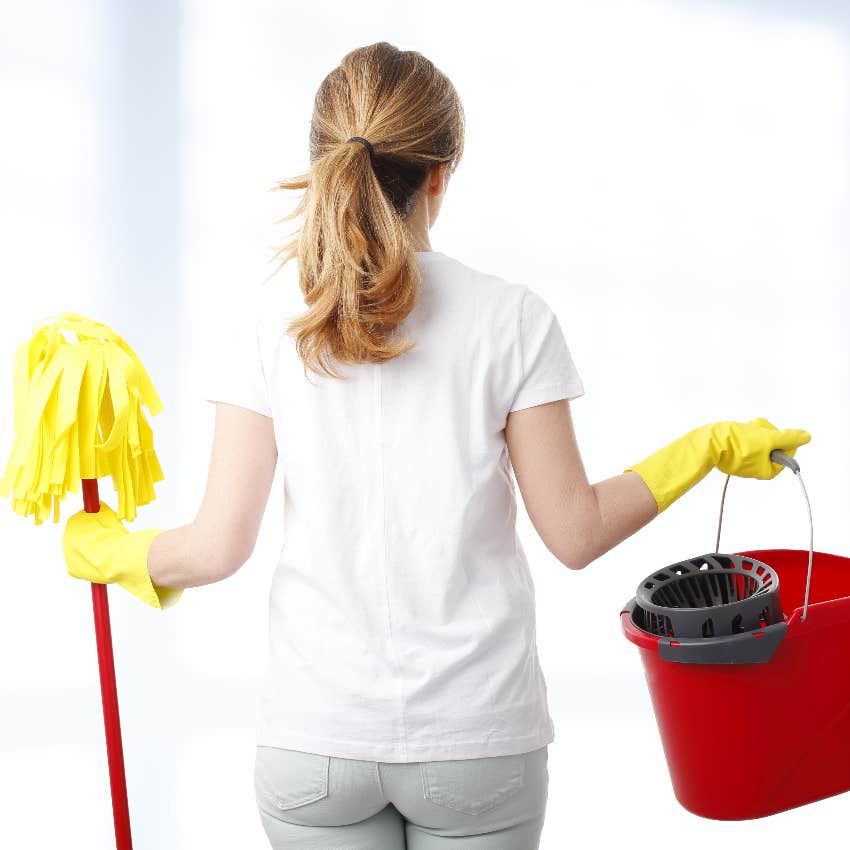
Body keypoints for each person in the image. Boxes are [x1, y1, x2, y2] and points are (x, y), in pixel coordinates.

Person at [62, 41, 810, 850]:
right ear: (440, 174)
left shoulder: (271, 320)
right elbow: (575, 532)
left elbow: (214, 548)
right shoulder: (511, 318)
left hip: (316, 742)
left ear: (323, 166)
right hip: (478, 741)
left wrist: (116, 552)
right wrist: (703, 447)